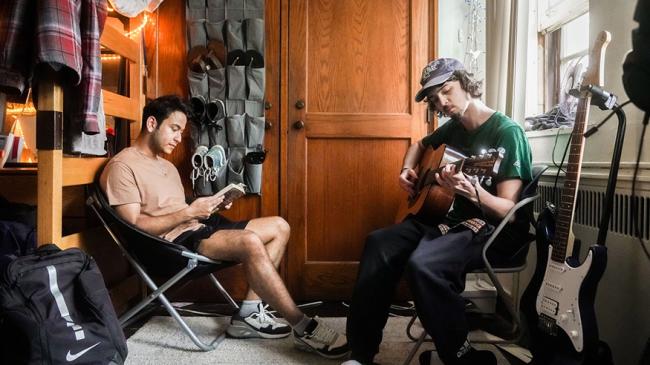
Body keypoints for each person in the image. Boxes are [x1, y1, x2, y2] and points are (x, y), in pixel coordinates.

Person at [100, 95, 348, 359]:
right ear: (152, 123)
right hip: (171, 245)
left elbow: (174, 207)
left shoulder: (167, 166)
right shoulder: (123, 166)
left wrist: (211, 205)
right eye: (174, 129)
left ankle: (249, 314)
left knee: (279, 226)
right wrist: (189, 212)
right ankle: (302, 326)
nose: (178, 137)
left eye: (182, 132)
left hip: (198, 226)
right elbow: (134, 225)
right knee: (250, 241)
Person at [344, 58, 533, 365]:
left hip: (486, 229)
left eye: (447, 91)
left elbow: (508, 211)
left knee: (424, 264)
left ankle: (462, 355)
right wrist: (407, 169)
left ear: (466, 83)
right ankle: (362, 354)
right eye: (435, 99)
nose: (442, 103)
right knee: (379, 243)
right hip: (441, 219)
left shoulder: (507, 132)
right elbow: (419, 145)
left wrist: (474, 192)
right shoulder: (453, 130)